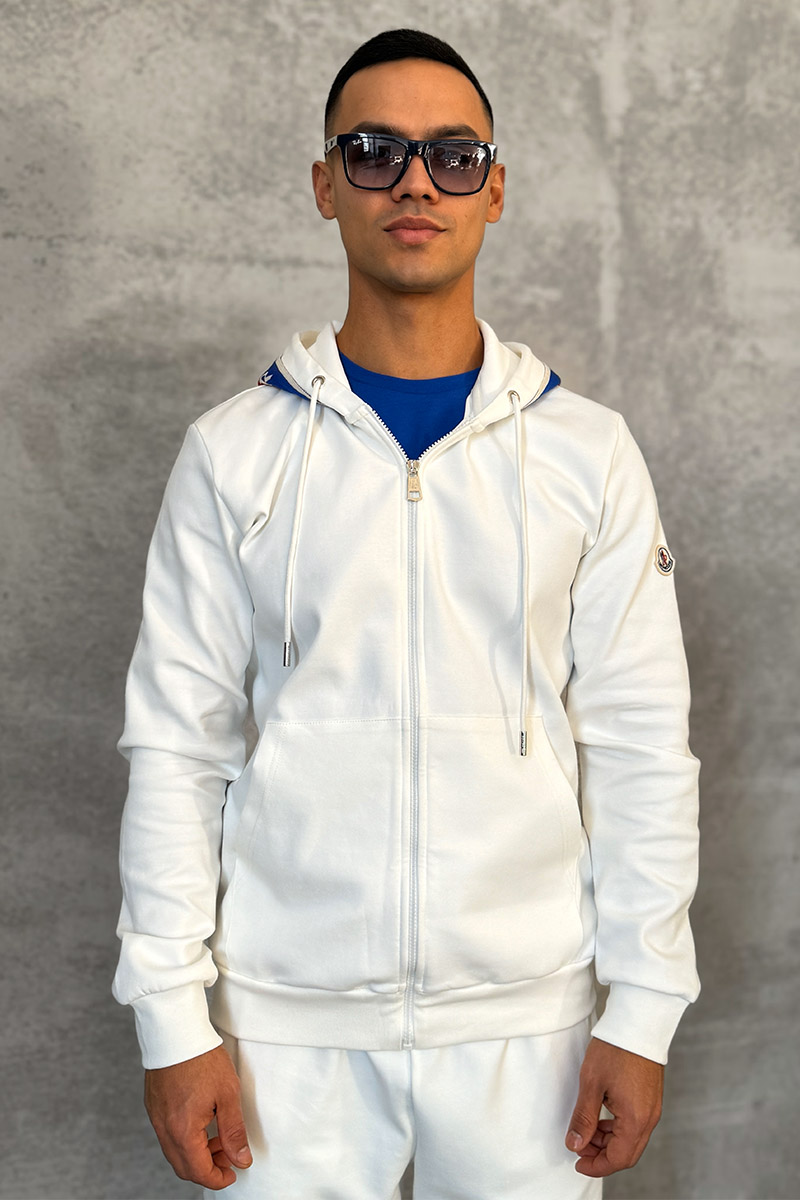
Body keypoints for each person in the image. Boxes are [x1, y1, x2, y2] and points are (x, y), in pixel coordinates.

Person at [112, 27, 701, 1199]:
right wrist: (172, 1020)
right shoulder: (233, 455)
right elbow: (177, 747)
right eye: (374, 152)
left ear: (496, 188)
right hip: (286, 1033)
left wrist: (640, 1010)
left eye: (452, 154)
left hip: (527, 1033)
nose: (415, 182)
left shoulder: (585, 455)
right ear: (325, 184)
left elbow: (639, 745)